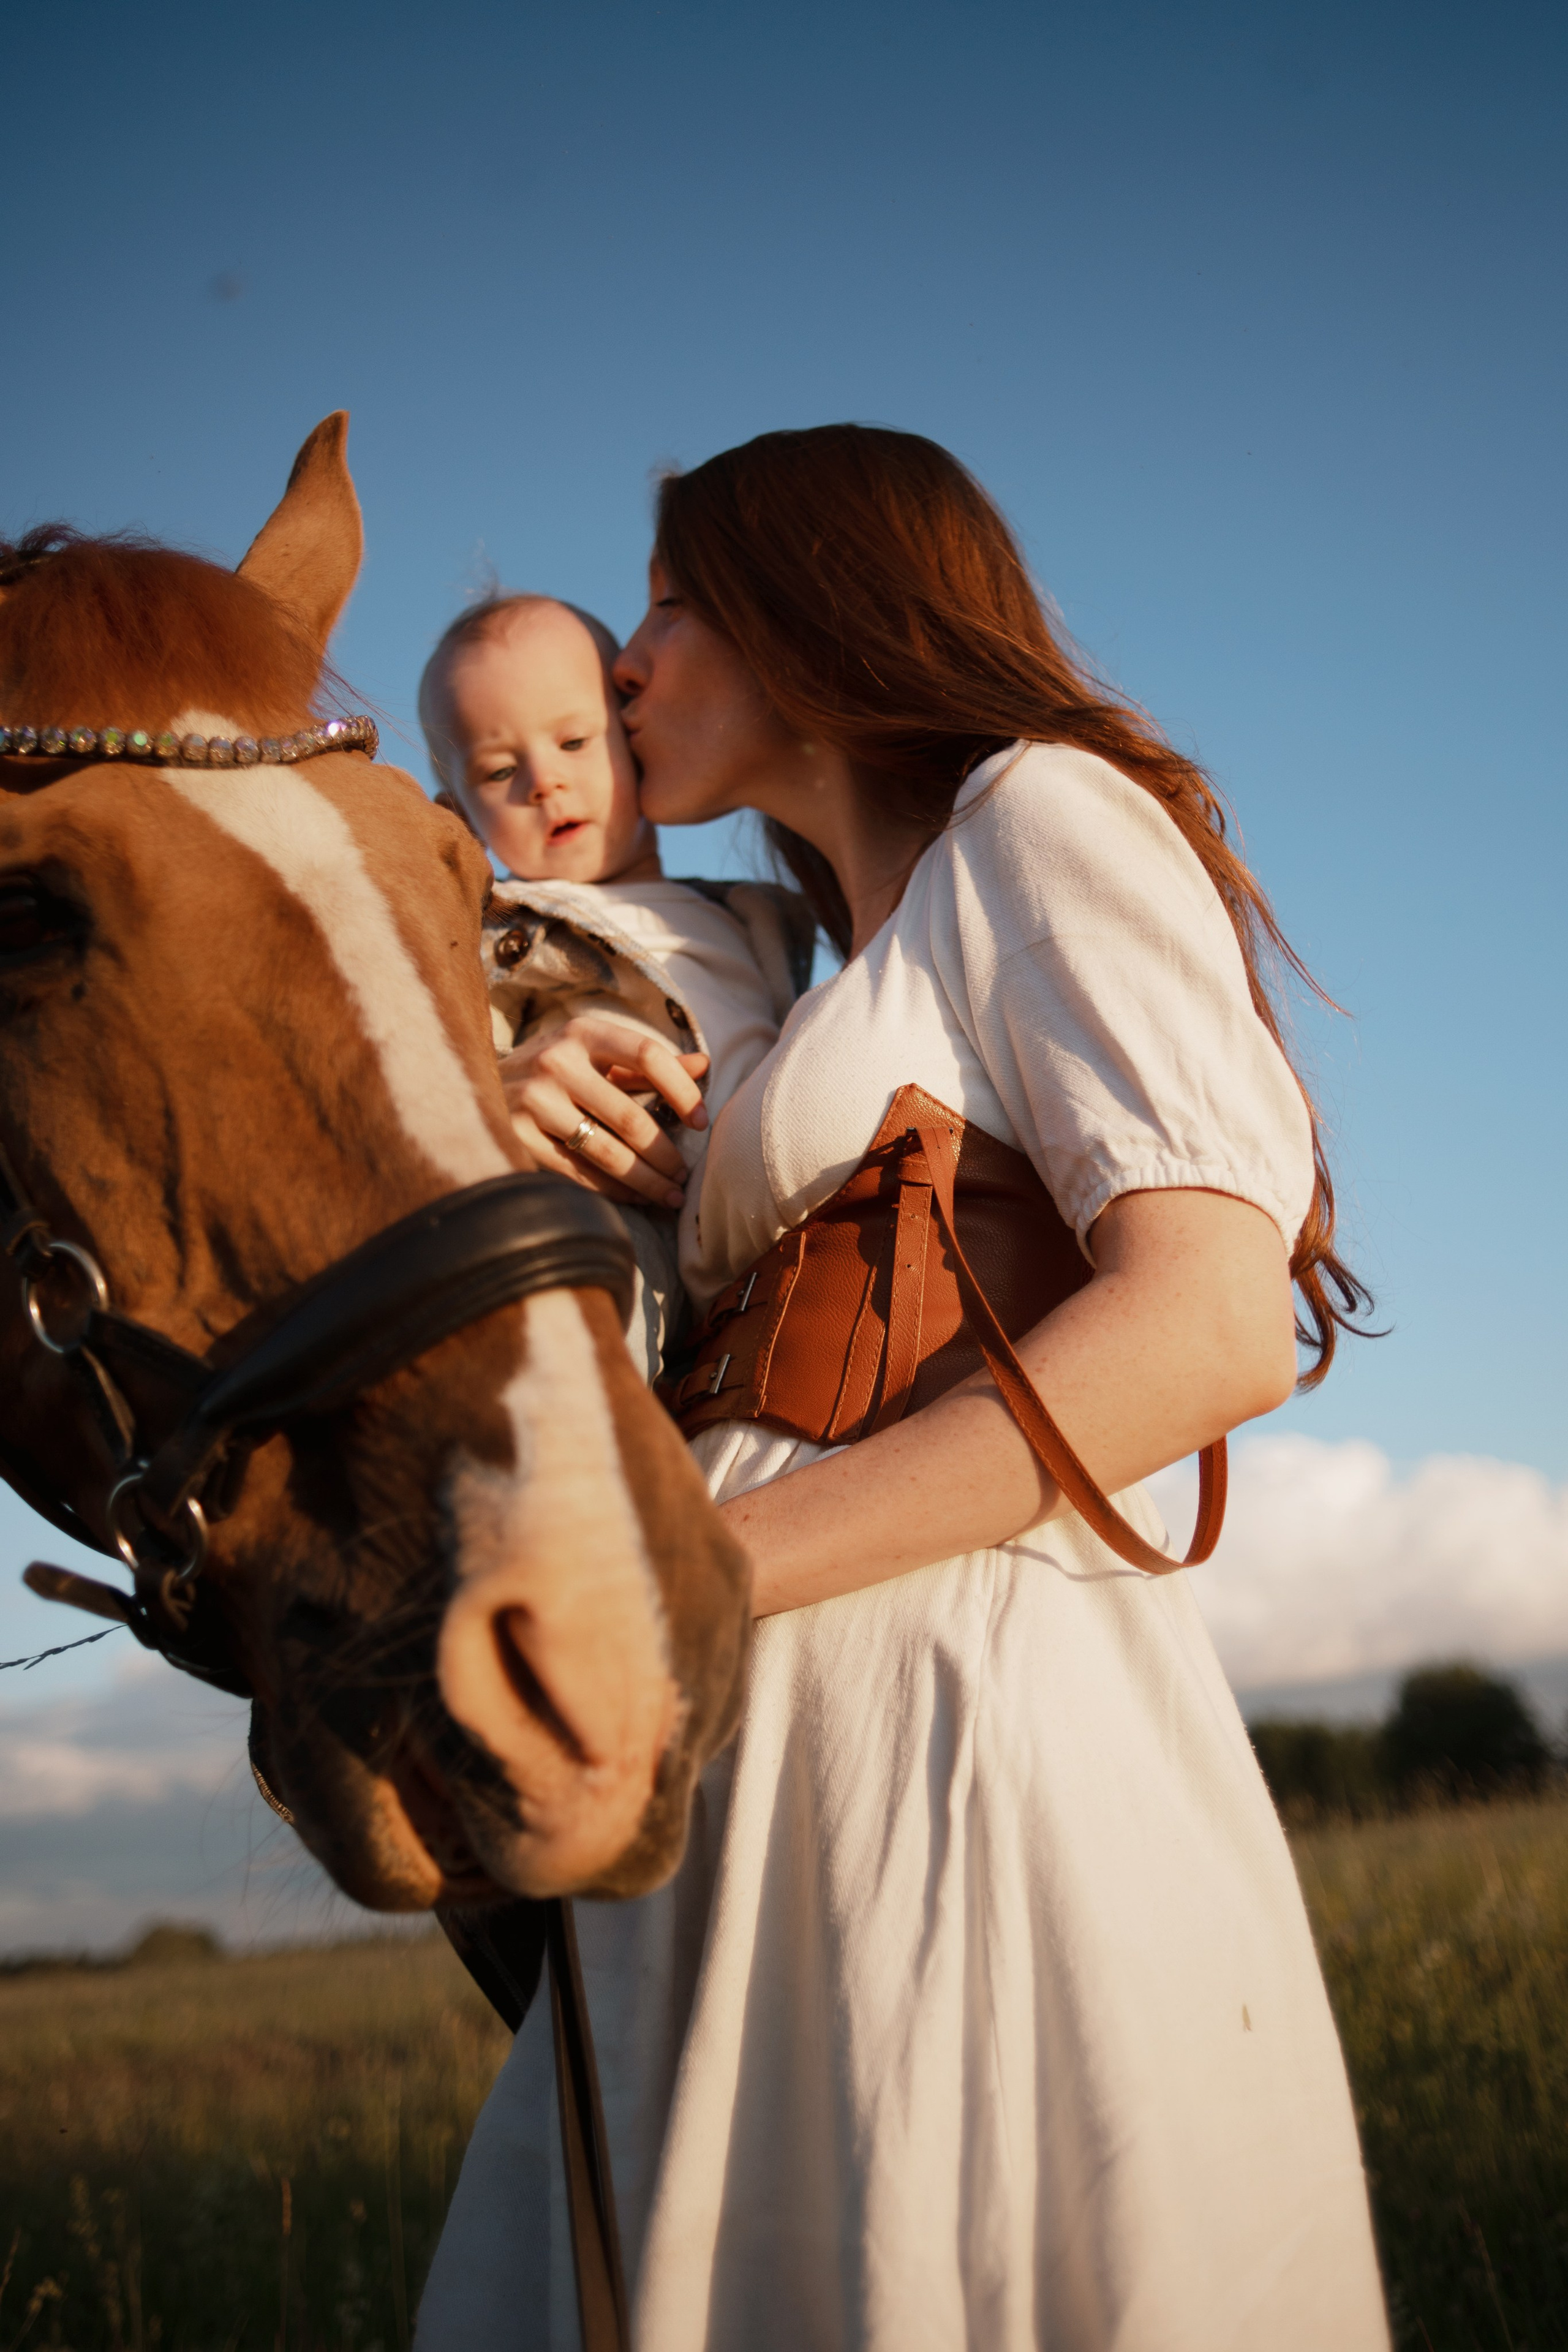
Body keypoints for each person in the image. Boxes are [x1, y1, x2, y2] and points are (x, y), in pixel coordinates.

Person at [417, 431, 1390, 2351]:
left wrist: (684, 1565)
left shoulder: (1039, 815)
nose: (620, 669)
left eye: (669, 607)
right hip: (753, 1746)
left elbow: (1207, 1326)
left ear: (811, 610)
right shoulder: (819, 971)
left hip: (961, 1718)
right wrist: (498, 1100)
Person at [419, 593, 812, 1374]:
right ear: (456, 814)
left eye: (573, 740)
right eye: (499, 770)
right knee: (587, 1322)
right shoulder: (506, 925)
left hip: (770, 1254)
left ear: (635, 735)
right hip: (617, 1203)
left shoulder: (750, 915)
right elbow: (446, 1054)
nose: (542, 781)